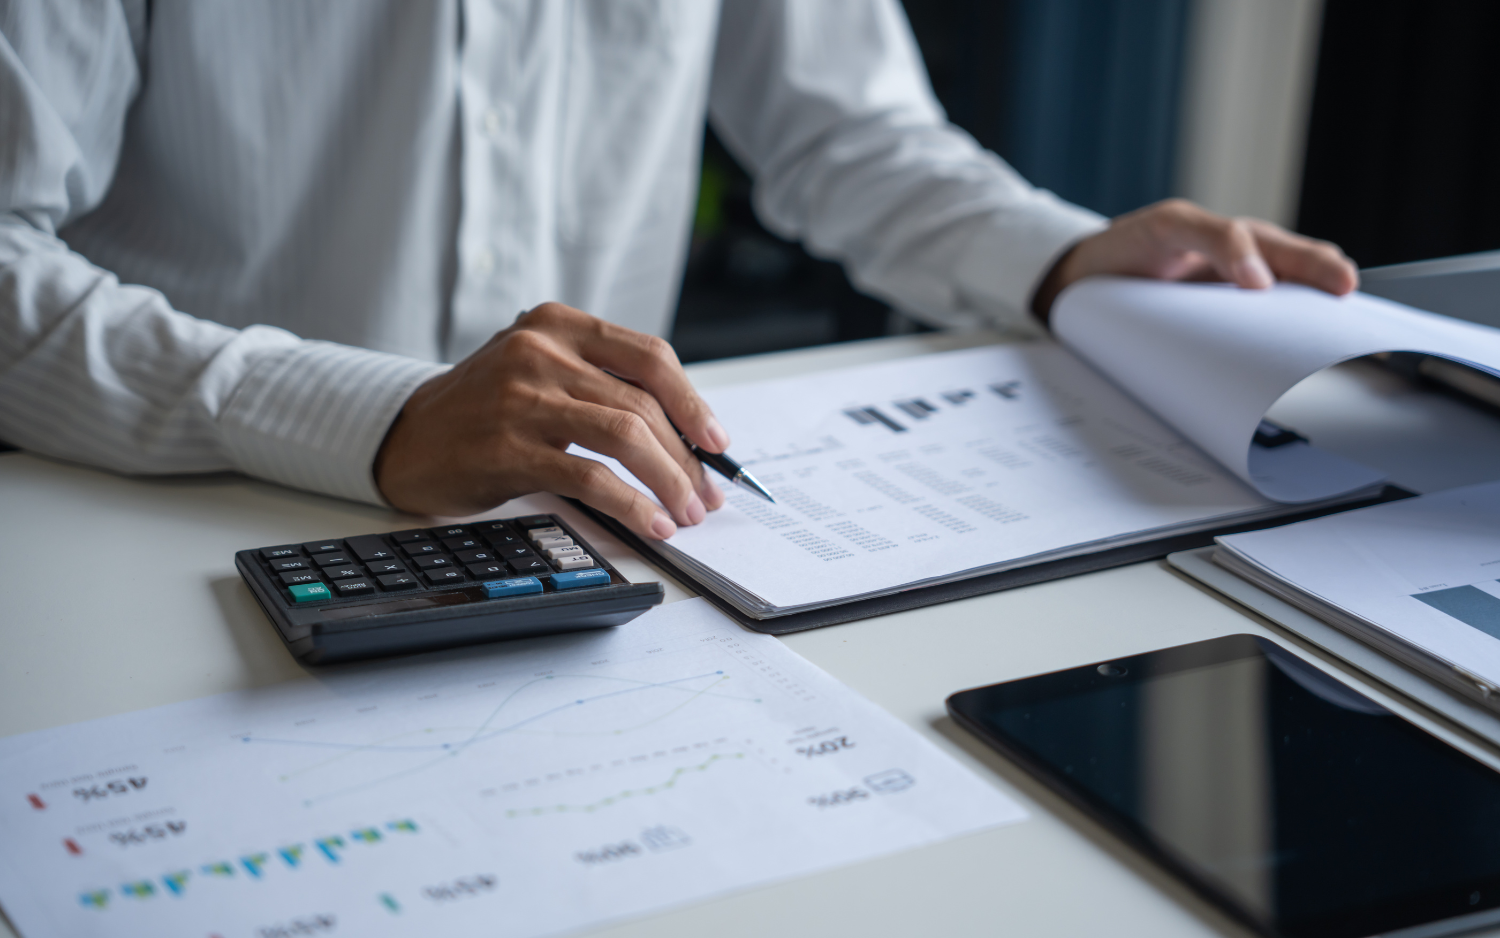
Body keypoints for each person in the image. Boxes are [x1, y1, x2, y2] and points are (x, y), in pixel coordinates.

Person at [0, 1, 1356, 543]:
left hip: (605, 522)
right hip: (168, 507)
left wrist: (1064, 257)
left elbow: (849, 134)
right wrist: (376, 415)